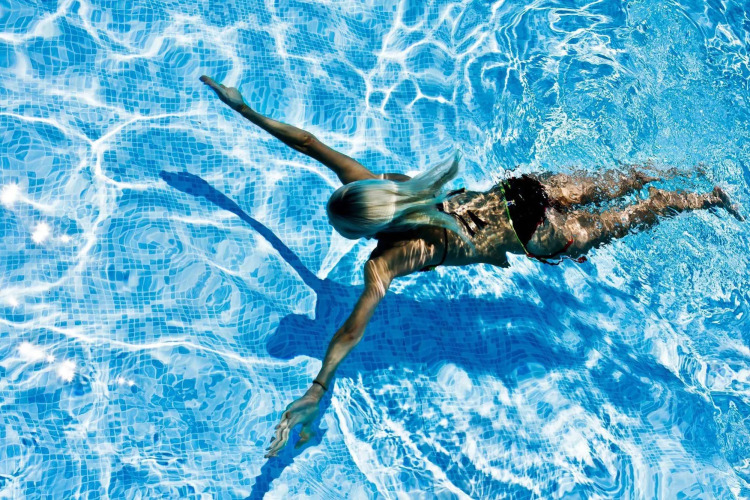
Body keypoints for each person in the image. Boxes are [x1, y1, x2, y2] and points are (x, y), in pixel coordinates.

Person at [199, 75, 742, 458]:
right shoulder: (381, 189)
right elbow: (309, 143)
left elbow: (349, 331)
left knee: (626, 218)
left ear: (363, 231)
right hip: (522, 191)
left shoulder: (386, 261)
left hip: (534, 234)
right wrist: (245, 110)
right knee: (619, 181)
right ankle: (691, 165)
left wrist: (318, 387)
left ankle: (708, 199)